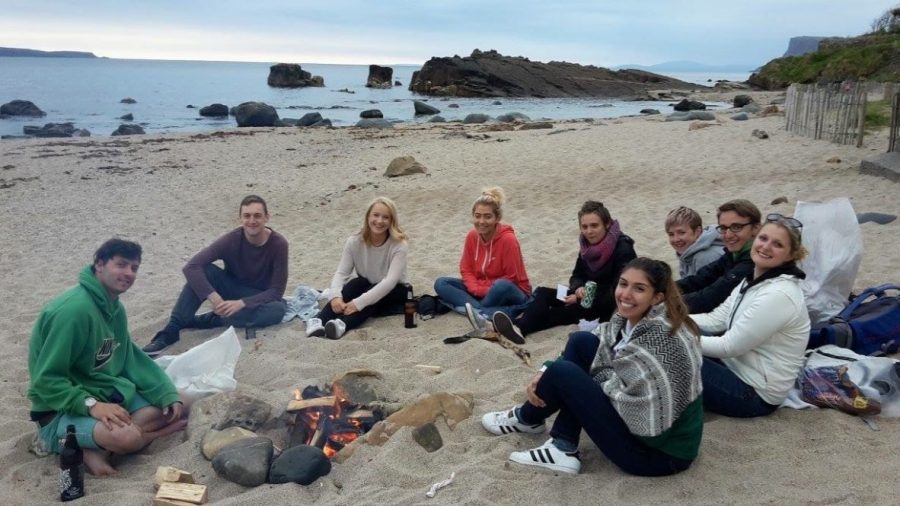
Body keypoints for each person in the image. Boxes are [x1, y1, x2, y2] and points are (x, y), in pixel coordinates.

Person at [481, 258, 703, 476]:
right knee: (581, 343)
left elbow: (648, 428)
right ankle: (536, 424)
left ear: (657, 297)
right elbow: (597, 339)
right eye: (623, 284)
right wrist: (545, 370)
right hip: (651, 435)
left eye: (639, 289)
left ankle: (553, 441)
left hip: (657, 454)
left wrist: (584, 383)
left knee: (565, 375)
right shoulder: (631, 320)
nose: (625, 294)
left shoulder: (658, 342)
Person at [28, 239, 187, 476]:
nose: (128, 273)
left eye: (134, 268)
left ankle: (95, 449)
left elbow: (130, 358)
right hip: (59, 410)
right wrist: (92, 405)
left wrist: (165, 392)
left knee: (180, 401)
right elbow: (46, 380)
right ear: (99, 265)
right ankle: (64, 442)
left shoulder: (114, 308)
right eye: (121, 265)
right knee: (127, 436)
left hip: (103, 392)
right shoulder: (73, 311)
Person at [693, 215, 811, 417]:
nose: (765, 247)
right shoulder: (755, 279)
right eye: (763, 239)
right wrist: (669, 319)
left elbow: (729, 346)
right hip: (734, 367)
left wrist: (673, 335)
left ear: (790, 255)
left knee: (671, 351)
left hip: (754, 394)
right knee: (672, 334)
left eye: (777, 244)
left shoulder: (779, 294)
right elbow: (716, 319)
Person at [143, 195, 289, 356]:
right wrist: (214, 298)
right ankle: (171, 330)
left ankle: (206, 320)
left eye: (257, 215)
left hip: (258, 297)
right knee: (204, 270)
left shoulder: (279, 244)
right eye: (247, 216)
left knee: (278, 310)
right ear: (240, 219)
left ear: (267, 218)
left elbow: (276, 291)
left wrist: (242, 303)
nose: (252, 221)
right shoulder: (231, 240)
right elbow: (191, 267)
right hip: (230, 288)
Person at [493, 201, 636, 344]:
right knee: (543, 292)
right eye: (584, 227)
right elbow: (577, 274)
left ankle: (518, 328)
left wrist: (580, 298)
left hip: (604, 305)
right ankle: (514, 326)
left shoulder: (622, 249)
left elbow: (620, 291)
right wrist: (577, 289)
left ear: (607, 224)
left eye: (594, 225)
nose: (589, 231)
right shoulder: (587, 246)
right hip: (583, 295)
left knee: (558, 313)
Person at [306, 197, 410, 340]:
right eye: (376, 215)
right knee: (356, 283)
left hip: (396, 290)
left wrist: (358, 303)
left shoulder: (399, 245)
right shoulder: (354, 242)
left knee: (370, 296)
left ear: (392, 221)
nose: (379, 221)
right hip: (366, 284)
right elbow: (342, 273)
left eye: (386, 217)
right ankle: (318, 321)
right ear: (368, 216)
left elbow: (389, 282)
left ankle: (341, 324)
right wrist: (335, 296)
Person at [434, 187, 532, 329]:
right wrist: (475, 288)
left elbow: (512, 278)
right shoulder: (472, 236)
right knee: (441, 283)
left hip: (513, 291)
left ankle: (476, 311)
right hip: (480, 289)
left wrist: (481, 290)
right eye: (477, 215)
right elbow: (466, 269)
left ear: (497, 218)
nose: (481, 221)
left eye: (487, 216)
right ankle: (482, 312)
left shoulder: (508, 240)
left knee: (500, 286)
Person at [677, 199, 761, 314]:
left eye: (736, 227)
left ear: (756, 228)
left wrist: (669, 302)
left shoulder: (756, 261)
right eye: (723, 228)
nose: (728, 235)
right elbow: (701, 278)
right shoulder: (734, 254)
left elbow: (712, 297)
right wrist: (663, 288)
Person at [665, 206, 724, 278]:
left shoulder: (704, 257)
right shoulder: (686, 253)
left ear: (697, 231)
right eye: (671, 234)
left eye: (682, 232)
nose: (676, 239)